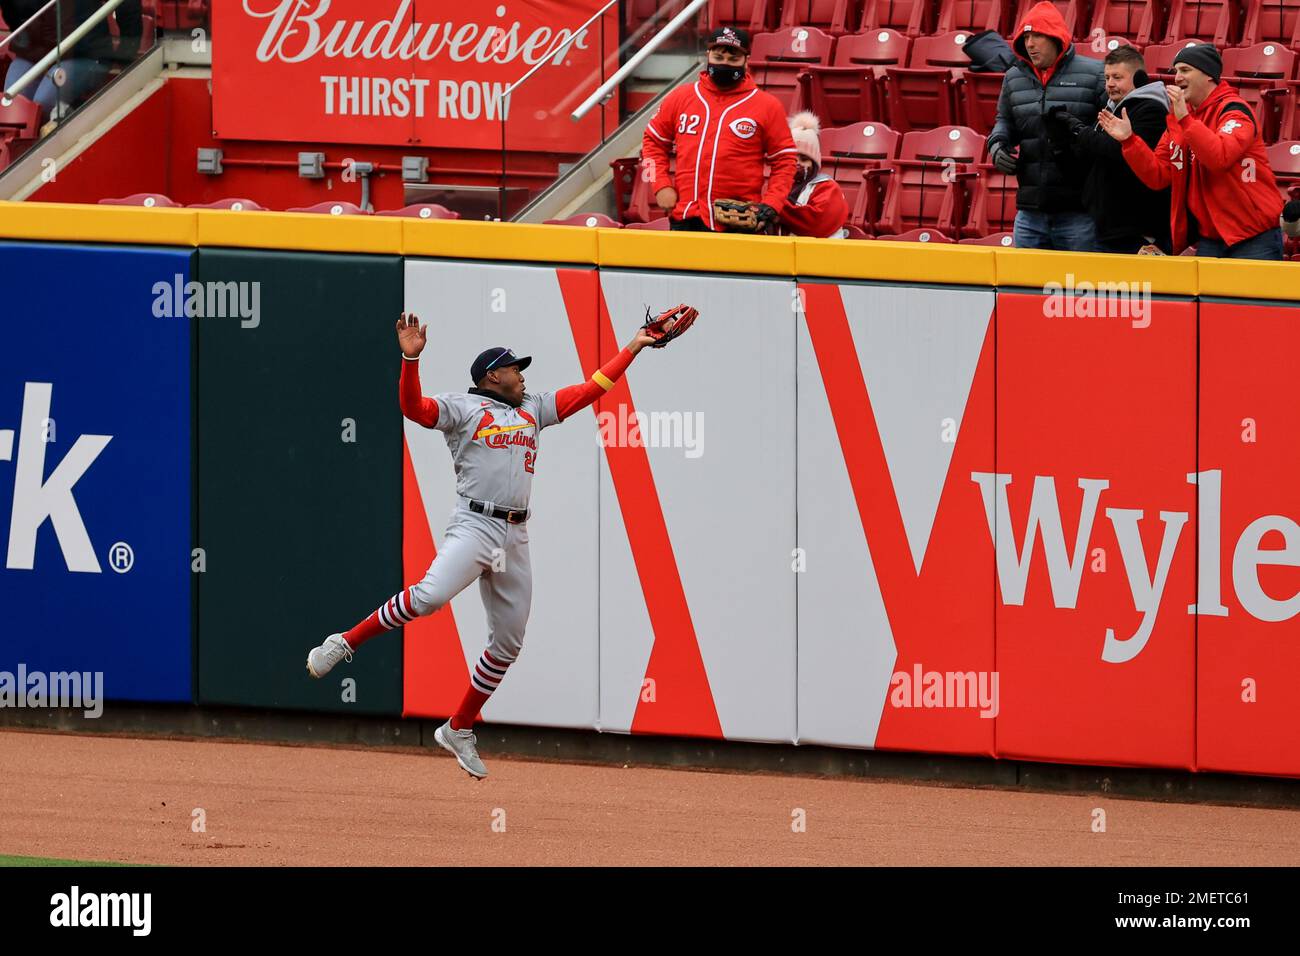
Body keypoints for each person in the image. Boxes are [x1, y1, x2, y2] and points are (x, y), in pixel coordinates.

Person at [306, 313, 675, 779]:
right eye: (515, 369)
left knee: (508, 641)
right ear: (492, 377)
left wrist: (634, 346)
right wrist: (410, 359)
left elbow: (590, 389)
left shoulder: (533, 408)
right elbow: (413, 408)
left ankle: (458, 727)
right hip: (475, 525)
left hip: (515, 535)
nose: (523, 376)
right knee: (430, 597)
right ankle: (345, 641)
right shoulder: (463, 407)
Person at [1098, 44, 1285, 259]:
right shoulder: (1180, 118)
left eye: (1185, 70)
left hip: (1253, 236)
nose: (1177, 77)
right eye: (1176, 71)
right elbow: (1158, 175)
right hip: (1210, 238)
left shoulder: (1234, 111)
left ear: (1208, 75)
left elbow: (1219, 158)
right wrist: (1130, 142)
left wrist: (1185, 121)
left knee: (1252, 294)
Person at [641, 25, 798, 232]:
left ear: (746, 60)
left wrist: (772, 203)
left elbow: (785, 161)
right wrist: (660, 184)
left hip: (739, 220)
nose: (725, 64)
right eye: (718, 57)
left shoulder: (767, 105)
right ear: (708, 55)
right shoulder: (681, 97)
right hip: (687, 215)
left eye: (733, 60)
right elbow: (652, 143)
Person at [985, 1, 1106, 251]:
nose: (1030, 44)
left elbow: (1108, 132)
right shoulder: (1013, 77)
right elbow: (1004, 121)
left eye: (1037, 36)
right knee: (1024, 287)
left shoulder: (1096, 74)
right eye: (1026, 37)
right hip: (1030, 212)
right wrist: (997, 144)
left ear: (1056, 38)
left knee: (1080, 286)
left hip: (1079, 211)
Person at [1045, 45, 1171, 254]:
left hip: (1136, 231)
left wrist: (1078, 130)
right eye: (1107, 78)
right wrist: (1059, 143)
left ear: (1139, 78)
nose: (1110, 84)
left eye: (1117, 77)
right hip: (1106, 228)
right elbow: (1087, 167)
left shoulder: (1152, 110)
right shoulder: (1111, 111)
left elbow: (1120, 153)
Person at [0, 1, 141, 124]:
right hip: (34, 54)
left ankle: (68, 127)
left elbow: (128, 4)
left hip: (85, 54)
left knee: (43, 104)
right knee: (11, 104)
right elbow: (11, 14)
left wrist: (126, 52)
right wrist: (27, 40)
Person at [777, 111, 849, 238]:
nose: (797, 163)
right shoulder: (780, 185)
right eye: (792, 158)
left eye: (804, 159)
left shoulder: (827, 187)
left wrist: (775, 206)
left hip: (823, 255)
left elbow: (815, 223)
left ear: (814, 164)